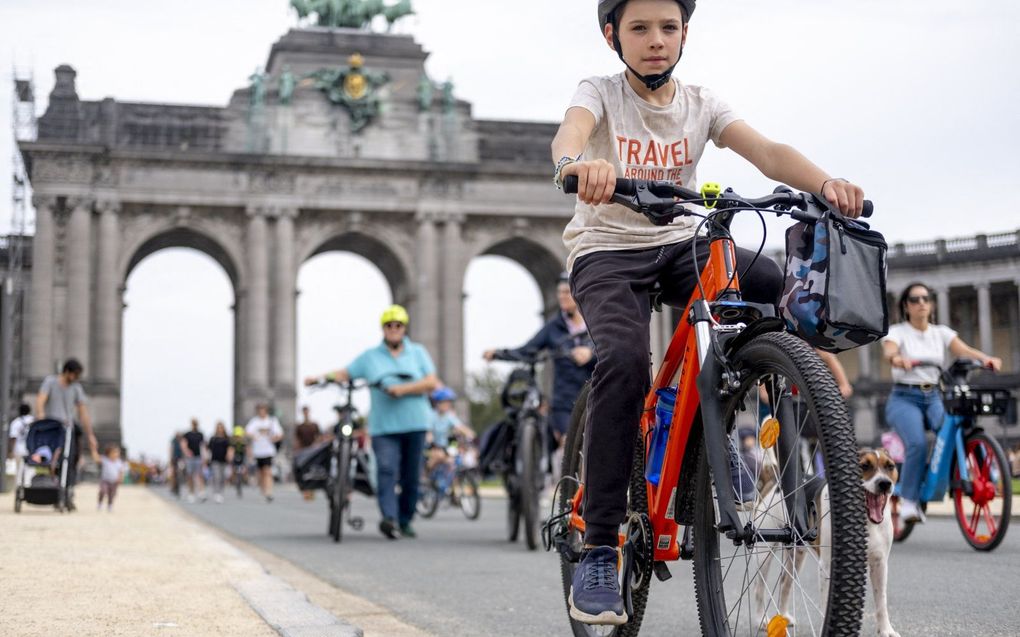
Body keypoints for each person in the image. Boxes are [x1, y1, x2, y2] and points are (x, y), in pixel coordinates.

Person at [551, 0, 867, 624]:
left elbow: (768, 152)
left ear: (685, 34)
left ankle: (771, 381)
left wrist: (826, 184)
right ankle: (597, 547)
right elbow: (568, 131)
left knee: (772, 277)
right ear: (613, 35)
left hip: (676, 245)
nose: (655, 41)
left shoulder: (702, 103)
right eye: (639, 28)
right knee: (621, 361)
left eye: (669, 27)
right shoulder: (601, 93)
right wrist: (574, 164)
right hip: (607, 252)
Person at [305, 304, 439, 540]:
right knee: (386, 470)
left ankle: (405, 519)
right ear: (383, 329)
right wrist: (319, 378)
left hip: (415, 423)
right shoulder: (371, 357)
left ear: (404, 328)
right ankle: (389, 518)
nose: (394, 329)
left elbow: (431, 382)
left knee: (411, 476)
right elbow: (345, 373)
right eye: (389, 326)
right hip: (384, 426)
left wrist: (402, 389)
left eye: (398, 325)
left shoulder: (418, 352)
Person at [882, 282, 1001, 525]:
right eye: (915, 300)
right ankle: (909, 501)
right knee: (916, 443)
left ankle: (985, 475)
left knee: (958, 429)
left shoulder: (941, 332)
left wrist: (986, 359)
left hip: (934, 396)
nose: (921, 303)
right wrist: (897, 359)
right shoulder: (898, 331)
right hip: (904, 398)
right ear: (906, 306)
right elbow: (889, 351)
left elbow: (963, 350)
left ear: (932, 303)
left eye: (925, 298)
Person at [483, 272, 595, 448]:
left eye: (566, 292)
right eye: (559, 293)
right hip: (564, 401)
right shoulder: (553, 327)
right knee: (571, 444)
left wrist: (590, 353)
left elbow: (613, 347)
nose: (562, 297)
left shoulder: (595, 322)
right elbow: (528, 350)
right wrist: (498, 353)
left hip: (595, 394)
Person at [36, 358, 98, 511]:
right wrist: (41, 417)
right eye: (75, 374)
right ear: (67, 371)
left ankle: (67, 493)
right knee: (52, 462)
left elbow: (83, 412)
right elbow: (40, 400)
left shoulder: (76, 388)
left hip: (68, 429)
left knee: (69, 462)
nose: (76, 378)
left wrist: (90, 435)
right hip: (51, 428)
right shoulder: (50, 382)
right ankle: (55, 491)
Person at [426, 387, 476, 477]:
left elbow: (460, 427)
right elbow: (429, 433)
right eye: (445, 402)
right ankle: (426, 477)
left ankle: (451, 482)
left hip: (448, 443)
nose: (448, 405)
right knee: (436, 457)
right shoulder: (431, 415)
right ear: (438, 403)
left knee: (454, 459)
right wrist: (432, 443)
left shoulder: (449, 416)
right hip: (435, 445)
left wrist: (470, 434)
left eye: (449, 402)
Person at [245, 403, 283, 502]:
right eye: (260, 410)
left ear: (266, 410)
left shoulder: (272, 421)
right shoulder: (254, 421)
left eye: (263, 410)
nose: (261, 412)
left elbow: (279, 434)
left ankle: (269, 491)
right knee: (260, 472)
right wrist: (253, 436)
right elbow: (247, 432)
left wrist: (274, 438)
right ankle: (263, 488)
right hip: (258, 450)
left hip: (269, 450)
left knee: (267, 471)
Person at [294, 406, 322, 501]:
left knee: (312, 471)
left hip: (313, 450)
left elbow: (318, 437)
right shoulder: (299, 426)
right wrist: (297, 450)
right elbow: (297, 439)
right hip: (303, 450)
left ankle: (312, 491)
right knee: (304, 471)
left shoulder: (314, 425)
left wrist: (317, 446)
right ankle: (306, 492)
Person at [7, 403, 33, 486]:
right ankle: (28, 486)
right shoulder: (34, 421)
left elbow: (13, 438)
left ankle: (18, 487)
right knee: (29, 469)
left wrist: (10, 451)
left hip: (18, 449)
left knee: (18, 470)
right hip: (31, 449)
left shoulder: (16, 422)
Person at [182, 418, 207, 503]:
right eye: (193, 423)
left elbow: (203, 446)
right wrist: (187, 452)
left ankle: (201, 492)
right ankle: (191, 493)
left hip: (198, 457)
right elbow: (183, 444)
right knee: (190, 475)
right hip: (190, 458)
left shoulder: (200, 434)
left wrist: (204, 457)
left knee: (200, 474)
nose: (195, 425)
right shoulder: (187, 434)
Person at [207, 421, 232, 504]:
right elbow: (208, 449)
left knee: (222, 477)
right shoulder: (213, 438)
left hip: (224, 460)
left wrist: (229, 455)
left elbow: (230, 448)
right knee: (216, 476)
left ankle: (221, 492)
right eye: (218, 428)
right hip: (215, 460)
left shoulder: (227, 438)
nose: (220, 429)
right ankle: (216, 493)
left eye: (221, 428)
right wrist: (207, 458)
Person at [98, 444, 126, 511]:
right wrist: (93, 448)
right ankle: (100, 503)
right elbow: (96, 458)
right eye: (113, 452)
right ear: (109, 453)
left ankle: (110, 505)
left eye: (117, 452)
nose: (115, 454)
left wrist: (120, 478)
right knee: (103, 491)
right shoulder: (105, 460)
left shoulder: (119, 462)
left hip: (114, 481)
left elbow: (121, 471)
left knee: (112, 494)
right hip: (105, 480)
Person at [230, 425, 248, 495]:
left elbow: (246, 451)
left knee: (241, 472)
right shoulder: (233, 443)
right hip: (235, 460)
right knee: (235, 471)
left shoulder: (243, 443)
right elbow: (231, 451)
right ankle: (235, 482)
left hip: (242, 460)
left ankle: (241, 482)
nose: (238, 438)